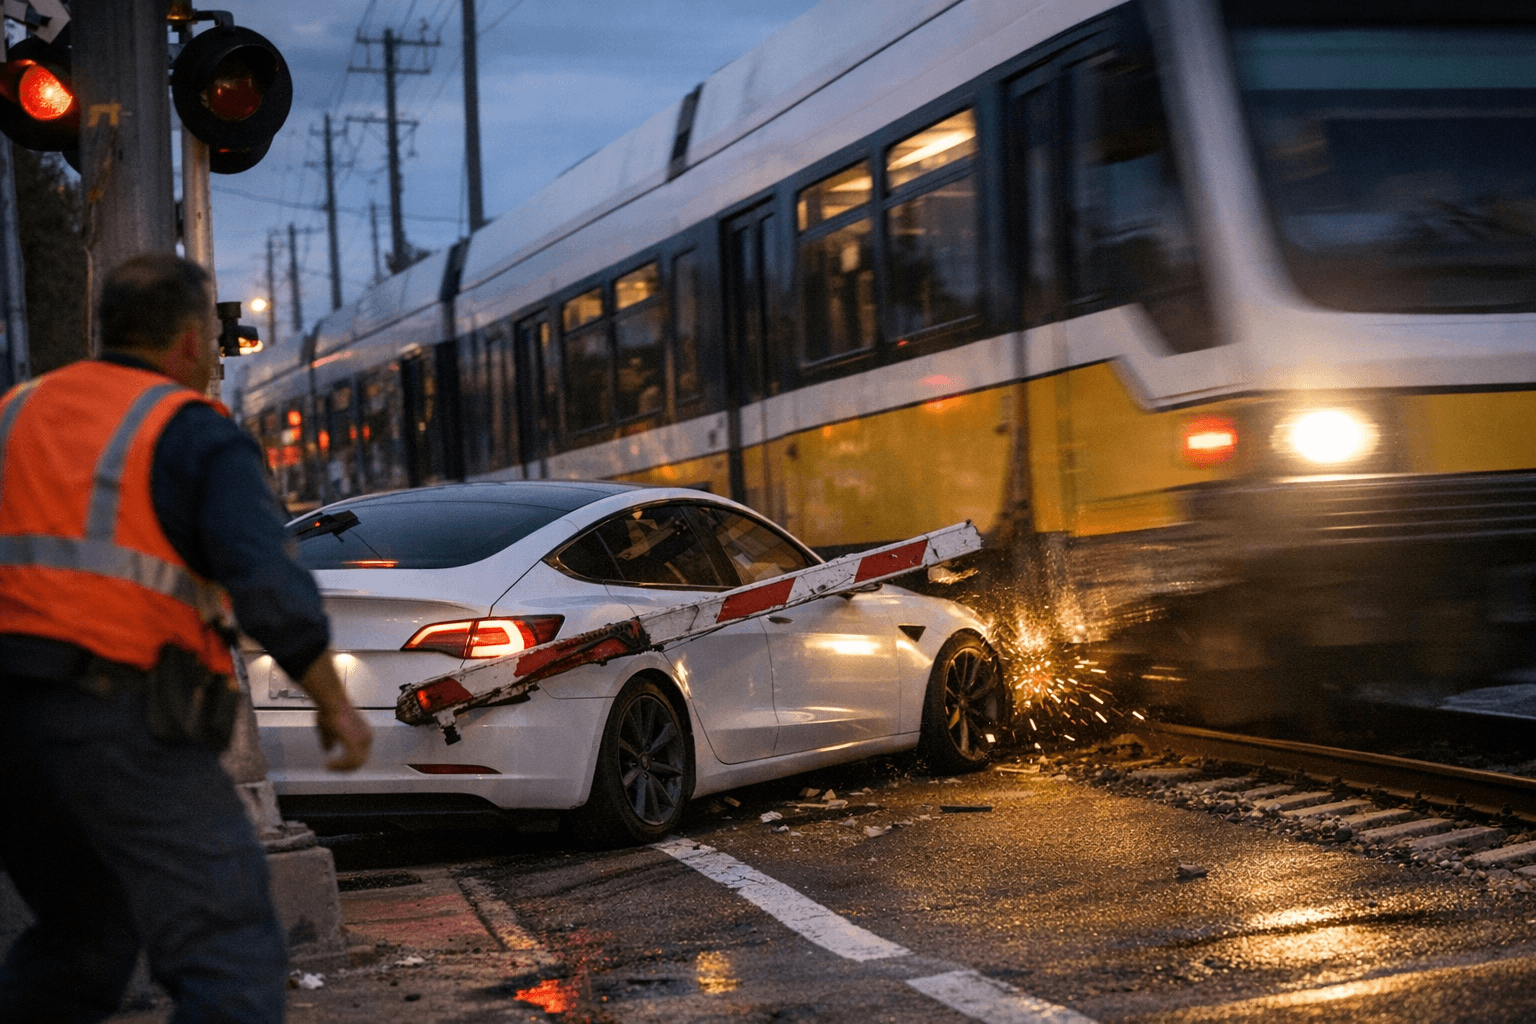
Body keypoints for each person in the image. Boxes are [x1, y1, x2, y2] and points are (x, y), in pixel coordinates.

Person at [0, 253, 371, 1024]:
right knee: (229, 954)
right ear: (187, 344)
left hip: (10, 738)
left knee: (86, 941)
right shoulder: (189, 429)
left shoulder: (14, 413)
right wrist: (334, 702)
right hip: (115, 726)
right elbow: (265, 582)